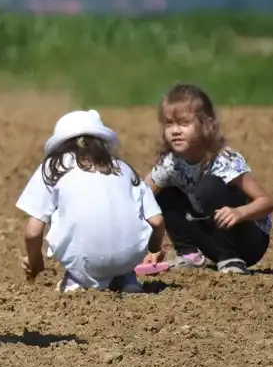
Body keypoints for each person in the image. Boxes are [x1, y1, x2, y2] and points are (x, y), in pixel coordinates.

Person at [16, 109, 164, 293]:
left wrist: (35, 260)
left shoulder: (54, 167)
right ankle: (126, 278)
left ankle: (77, 282)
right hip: (128, 259)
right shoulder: (123, 168)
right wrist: (154, 248)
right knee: (121, 256)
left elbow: (32, 232)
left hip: (84, 261)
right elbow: (157, 221)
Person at [141, 83, 273, 275]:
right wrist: (150, 248)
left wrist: (239, 212)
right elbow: (141, 196)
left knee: (209, 186)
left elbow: (266, 202)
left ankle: (231, 259)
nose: (175, 130)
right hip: (213, 237)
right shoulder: (170, 163)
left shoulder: (223, 160)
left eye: (184, 123)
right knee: (164, 192)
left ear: (207, 125)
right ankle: (189, 255)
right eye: (169, 123)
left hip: (248, 240)